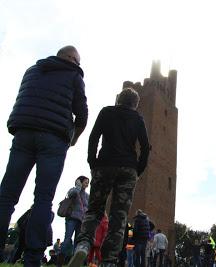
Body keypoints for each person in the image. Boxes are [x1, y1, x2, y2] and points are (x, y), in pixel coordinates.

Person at [0, 45, 88, 265]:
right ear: (72, 60)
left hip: (23, 133)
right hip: (54, 139)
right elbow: (82, 113)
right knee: (43, 198)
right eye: (77, 62)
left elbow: (23, 98)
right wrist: (74, 137)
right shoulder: (73, 75)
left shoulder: (33, 70)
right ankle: (32, 258)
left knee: (6, 196)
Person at [67, 86, 150, 267]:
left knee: (94, 210)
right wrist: (138, 170)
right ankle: (109, 261)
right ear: (135, 104)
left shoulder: (106, 112)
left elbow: (94, 137)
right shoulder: (138, 118)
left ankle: (83, 245)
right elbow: (145, 146)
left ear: (119, 99)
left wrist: (92, 162)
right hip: (128, 169)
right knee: (119, 217)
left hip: (104, 165)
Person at [61, 176, 90, 257]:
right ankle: (61, 257)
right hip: (72, 218)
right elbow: (71, 194)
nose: (87, 184)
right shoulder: (74, 190)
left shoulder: (87, 195)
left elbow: (88, 207)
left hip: (81, 220)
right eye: (85, 182)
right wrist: (78, 186)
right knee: (67, 239)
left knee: (77, 240)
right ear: (80, 182)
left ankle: (73, 260)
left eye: (88, 182)